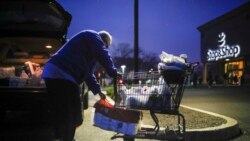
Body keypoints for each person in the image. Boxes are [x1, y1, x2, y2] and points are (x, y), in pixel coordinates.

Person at [42, 30, 118, 141]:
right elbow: (102, 53)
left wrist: (98, 90)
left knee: (63, 111)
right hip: (63, 73)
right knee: (74, 113)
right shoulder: (93, 36)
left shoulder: (88, 51)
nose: (105, 48)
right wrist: (114, 73)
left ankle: (62, 137)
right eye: (106, 46)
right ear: (104, 41)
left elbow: (88, 74)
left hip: (53, 73)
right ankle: (67, 138)